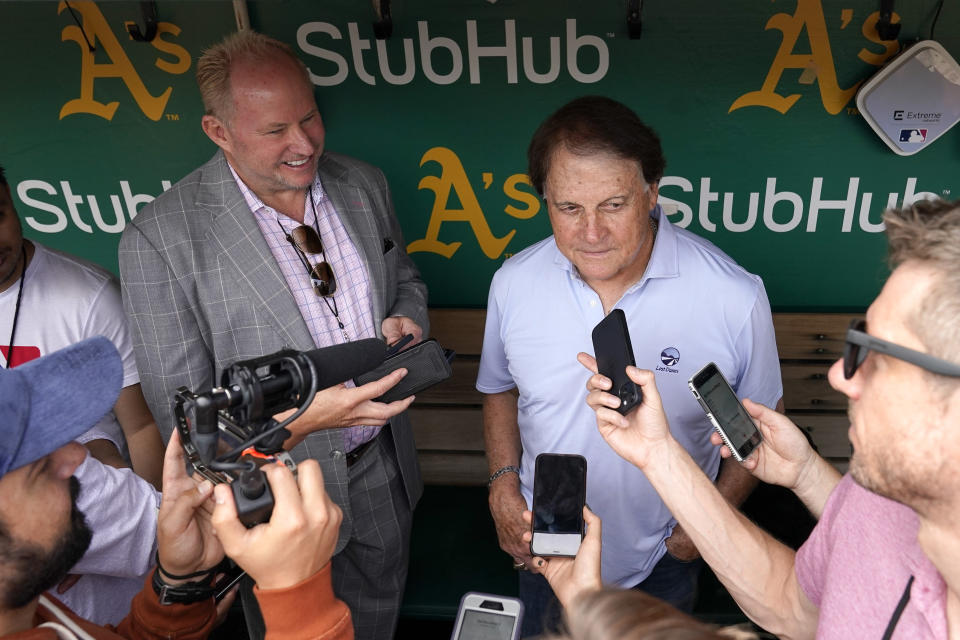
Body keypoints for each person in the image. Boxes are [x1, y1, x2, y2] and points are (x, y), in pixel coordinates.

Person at [118, 30, 428, 640]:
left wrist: (405, 314)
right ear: (218, 132)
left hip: (384, 473)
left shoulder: (362, 183)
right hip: (272, 498)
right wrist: (307, 418)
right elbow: (191, 420)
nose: (304, 143)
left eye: (309, 117)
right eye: (274, 131)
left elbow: (407, 279)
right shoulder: (159, 238)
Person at [581, 199, 960, 638]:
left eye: (882, 356)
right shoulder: (881, 504)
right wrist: (658, 454)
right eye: (860, 343)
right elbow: (789, 604)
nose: (841, 376)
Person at [476, 95, 782, 636]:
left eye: (614, 205)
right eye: (569, 208)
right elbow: (499, 389)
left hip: (664, 557)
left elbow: (761, 421)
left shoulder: (732, 295)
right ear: (544, 199)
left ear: (651, 192)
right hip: (547, 546)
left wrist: (700, 528)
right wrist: (502, 485)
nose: (591, 232)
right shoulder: (513, 283)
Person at [0, 336, 352, 639]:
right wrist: (300, 600)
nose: (76, 454)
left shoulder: (28, 610)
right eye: (35, 461)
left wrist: (179, 586)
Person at [0, 164, 163, 488]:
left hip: (82, 507)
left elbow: (142, 427)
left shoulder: (91, 296)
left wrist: (158, 526)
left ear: (13, 206)